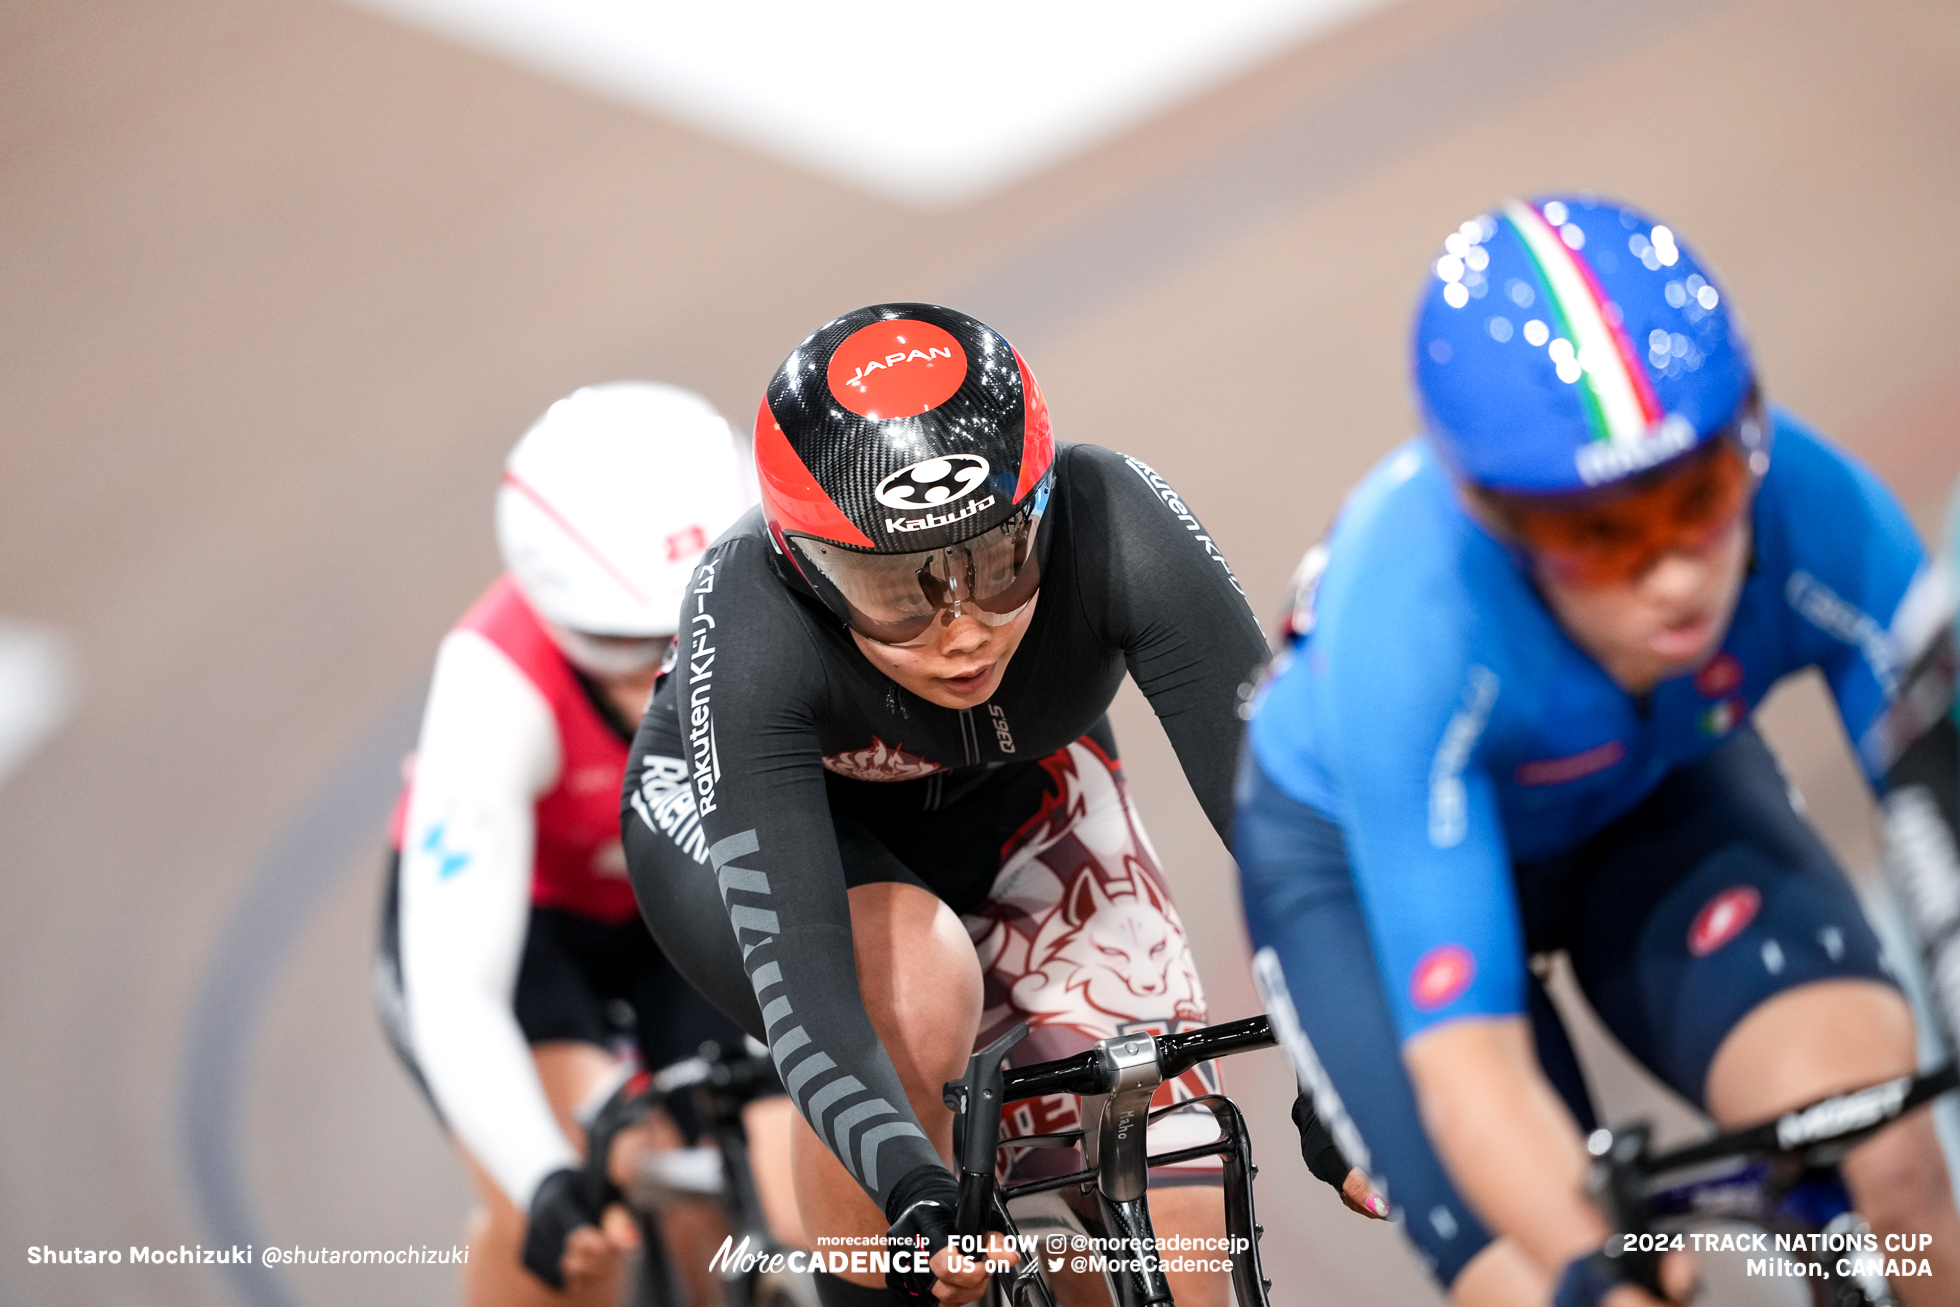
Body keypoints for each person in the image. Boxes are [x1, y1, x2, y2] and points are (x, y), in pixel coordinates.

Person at [1236, 196, 1960, 1307]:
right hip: (1366, 870)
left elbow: (1941, 811)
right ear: (1493, 516)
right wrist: (1595, 1266)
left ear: (1747, 435)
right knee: (1584, 1287)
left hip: (1648, 802)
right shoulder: (1413, 624)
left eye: (1697, 497)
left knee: (1892, 1159)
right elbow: (1468, 1063)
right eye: (1598, 532)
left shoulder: (1820, 516)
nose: (1672, 573)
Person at [620, 303, 1347, 1307]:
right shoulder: (749, 619)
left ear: (1046, 506)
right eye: (895, 589)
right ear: (806, 566)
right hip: (786, 840)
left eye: (999, 560)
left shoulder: (1116, 519)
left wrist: (1343, 1055)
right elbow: (812, 984)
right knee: (911, 991)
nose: (962, 631)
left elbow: (1293, 836)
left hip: (1011, 795)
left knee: (1177, 1229)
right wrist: (911, 1188)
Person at [375, 381, 790, 1305]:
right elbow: (456, 996)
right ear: (566, 626)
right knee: (569, 1226)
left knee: (778, 1189)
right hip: (528, 938)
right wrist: (541, 1181)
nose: (675, 679)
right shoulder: (494, 684)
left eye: (702, 630)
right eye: (629, 649)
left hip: (678, 907)